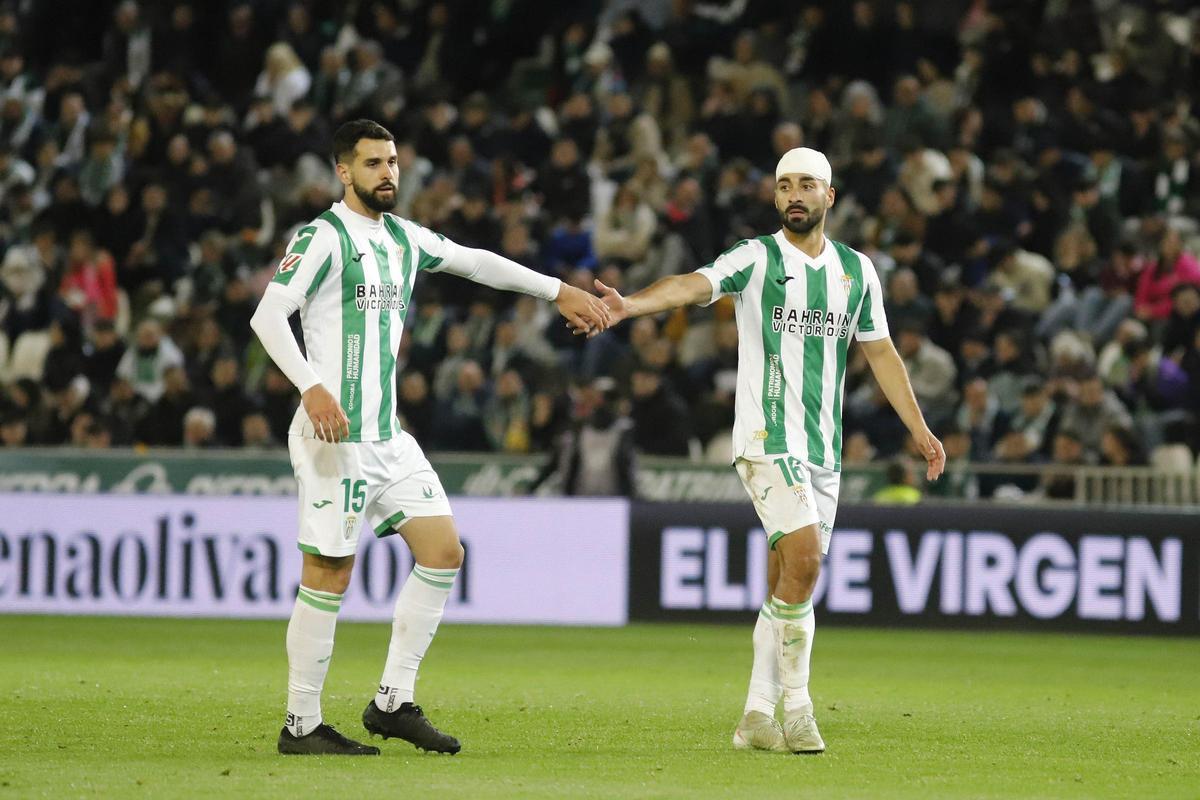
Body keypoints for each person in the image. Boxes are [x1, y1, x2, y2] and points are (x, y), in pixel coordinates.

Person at [250, 119, 610, 757]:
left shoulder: (402, 238)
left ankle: (392, 702)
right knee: (330, 571)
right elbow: (268, 314)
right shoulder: (323, 236)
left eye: (392, 161)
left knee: (443, 552)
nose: (387, 173)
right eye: (372, 163)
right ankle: (300, 725)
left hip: (387, 435)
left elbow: (476, 263)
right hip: (332, 434)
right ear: (343, 171)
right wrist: (309, 385)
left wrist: (557, 290)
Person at [579, 147, 945, 754]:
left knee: (789, 580)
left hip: (821, 448)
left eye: (807, 185)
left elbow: (880, 352)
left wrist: (920, 429)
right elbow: (693, 285)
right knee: (804, 560)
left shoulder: (857, 272)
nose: (794, 195)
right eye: (783, 185)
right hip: (764, 439)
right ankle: (799, 709)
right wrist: (633, 304)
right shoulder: (757, 257)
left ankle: (754, 714)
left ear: (831, 196)